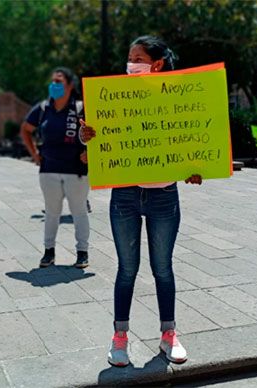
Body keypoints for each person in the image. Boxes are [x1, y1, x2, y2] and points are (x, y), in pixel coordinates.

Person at [80, 36, 203, 367]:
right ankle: (120, 337)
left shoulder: (180, 96)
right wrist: (85, 135)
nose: (130, 63)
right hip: (125, 194)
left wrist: (196, 168)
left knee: (163, 268)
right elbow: (93, 134)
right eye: (129, 58)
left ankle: (169, 335)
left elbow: (190, 135)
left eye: (137, 58)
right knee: (127, 269)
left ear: (157, 63)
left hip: (164, 195)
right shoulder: (115, 95)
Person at [21, 67, 90, 269]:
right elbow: (26, 129)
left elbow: (97, 134)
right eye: (52, 81)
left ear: (70, 86)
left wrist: (91, 155)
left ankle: (82, 253)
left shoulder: (80, 108)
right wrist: (34, 154)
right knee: (52, 213)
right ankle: (49, 252)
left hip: (76, 171)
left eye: (59, 82)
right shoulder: (43, 108)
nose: (54, 85)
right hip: (48, 170)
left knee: (79, 212)